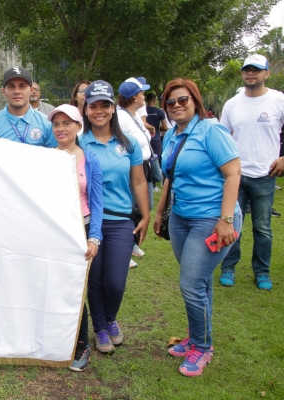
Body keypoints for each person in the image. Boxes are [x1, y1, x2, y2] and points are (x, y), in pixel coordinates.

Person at [154, 78, 241, 377]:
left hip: (212, 218)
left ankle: (202, 348)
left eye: (183, 100)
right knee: (199, 281)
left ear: (195, 101)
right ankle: (195, 337)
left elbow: (233, 173)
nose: (177, 106)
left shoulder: (211, 130)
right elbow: (170, 177)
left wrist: (226, 219)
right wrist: (159, 211)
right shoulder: (172, 136)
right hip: (180, 217)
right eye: (171, 102)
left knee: (191, 283)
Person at [79, 81, 150, 354]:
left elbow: (139, 181)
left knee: (116, 281)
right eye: (93, 105)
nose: (99, 111)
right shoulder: (79, 142)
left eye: (104, 105)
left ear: (113, 108)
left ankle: (110, 318)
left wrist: (144, 215)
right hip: (86, 221)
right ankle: (100, 327)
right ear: (85, 109)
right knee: (95, 279)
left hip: (120, 219)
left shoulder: (127, 144)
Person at [219, 54, 284, 291]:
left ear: (267, 73)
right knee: (232, 224)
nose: (250, 73)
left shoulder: (278, 100)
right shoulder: (232, 103)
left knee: (263, 227)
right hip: (235, 176)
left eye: (256, 70)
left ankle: (262, 272)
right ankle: (228, 267)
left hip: (265, 176)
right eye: (247, 69)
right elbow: (221, 138)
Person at [47, 104, 103, 371]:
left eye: (66, 123)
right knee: (54, 286)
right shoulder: (44, 158)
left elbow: (97, 203)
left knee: (75, 290)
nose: (61, 129)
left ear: (79, 126)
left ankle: (82, 345)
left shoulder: (90, 159)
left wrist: (94, 238)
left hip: (81, 228)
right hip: (54, 231)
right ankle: (57, 341)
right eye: (56, 124)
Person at [116, 77, 153, 267]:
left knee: (144, 205)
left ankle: (131, 242)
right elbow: (122, 143)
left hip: (144, 165)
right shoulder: (121, 117)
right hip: (132, 168)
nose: (144, 96)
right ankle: (125, 246)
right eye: (142, 93)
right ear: (134, 97)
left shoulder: (134, 114)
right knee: (129, 208)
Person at [0, 66, 55, 147]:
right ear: (3, 91)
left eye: (22, 86)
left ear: (31, 90)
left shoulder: (47, 124)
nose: (17, 91)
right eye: (11, 86)